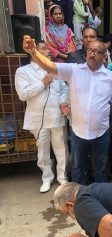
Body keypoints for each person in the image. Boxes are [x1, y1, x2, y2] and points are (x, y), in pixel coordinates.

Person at [23, 36, 112, 185]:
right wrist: (34, 52)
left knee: (101, 167)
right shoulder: (74, 70)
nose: (91, 54)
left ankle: (101, 197)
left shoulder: (111, 77)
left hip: (101, 132)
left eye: (96, 51)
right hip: (78, 132)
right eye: (89, 50)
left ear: (104, 55)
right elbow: (50, 66)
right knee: (77, 168)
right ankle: (78, 198)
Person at [15, 40, 69, 193]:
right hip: (38, 119)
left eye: (47, 49)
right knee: (42, 151)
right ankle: (46, 178)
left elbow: (64, 89)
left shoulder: (55, 70)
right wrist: (42, 83)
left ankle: (62, 178)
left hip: (57, 116)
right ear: (33, 52)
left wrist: (64, 102)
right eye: (44, 49)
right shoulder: (23, 71)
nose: (48, 52)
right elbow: (22, 95)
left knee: (61, 149)